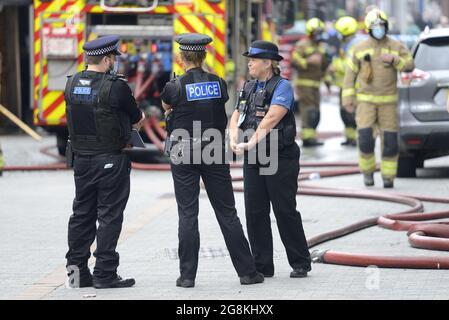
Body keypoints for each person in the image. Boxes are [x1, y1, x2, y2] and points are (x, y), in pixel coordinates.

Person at [161, 33, 264, 288]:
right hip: (213, 151)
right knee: (227, 212)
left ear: (181, 58)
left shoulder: (174, 86)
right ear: (204, 56)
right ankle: (248, 273)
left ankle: (187, 277)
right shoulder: (218, 84)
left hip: (183, 151)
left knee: (187, 213)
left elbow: (166, 107)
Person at [64, 35, 145, 289]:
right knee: (109, 216)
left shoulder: (71, 83)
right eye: (113, 59)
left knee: (81, 214)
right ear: (108, 59)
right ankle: (105, 274)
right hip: (110, 160)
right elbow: (137, 119)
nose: (114, 63)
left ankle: (77, 276)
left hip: (81, 161)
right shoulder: (117, 86)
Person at [229, 40, 312, 279]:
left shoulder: (282, 87)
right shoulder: (249, 86)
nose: (250, 64)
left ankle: (300, 262)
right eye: (250, 60)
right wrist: (234, 137)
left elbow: (272, 117)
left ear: (268, 62)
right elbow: (236, 114)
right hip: (254, 156)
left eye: (254, 60)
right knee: (255, 212)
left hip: (279, 156)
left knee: (284, 210)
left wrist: (251, 141)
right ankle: (263, 264)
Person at [342, 9, 415, 188]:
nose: (379, 29)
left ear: (386, 26)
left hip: (388, 102)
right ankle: (367, 173)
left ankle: (388, 177)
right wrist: (347, 99)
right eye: (375, 26)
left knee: (390, 141)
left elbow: (410, 65)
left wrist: (395, 60)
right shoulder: (359, 48)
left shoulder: (396, 45)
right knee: (365, 139)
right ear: (369, 28)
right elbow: (350, 75)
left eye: (381, 26)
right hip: (365, 102)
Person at [328, 16, 366, 146]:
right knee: (345, 113)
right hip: (344, 85)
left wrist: (335, 66)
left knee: (352, 113)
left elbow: (349, 65)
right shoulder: (347, 44)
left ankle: (356, 138)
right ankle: (350, 138)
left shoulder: (355, 45)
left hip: (353, 86)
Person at [292, 18, 329, 147]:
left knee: (316, 113)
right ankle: (307, 139)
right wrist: (308, 61)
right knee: (308, 112)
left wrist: (328, 81)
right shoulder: (302, 45)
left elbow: (324, 67)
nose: (318, 35)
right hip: (304, 85)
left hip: (316, 85)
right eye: (316, 32)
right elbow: (295, 61)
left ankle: (312, 137)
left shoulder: (321, 47)